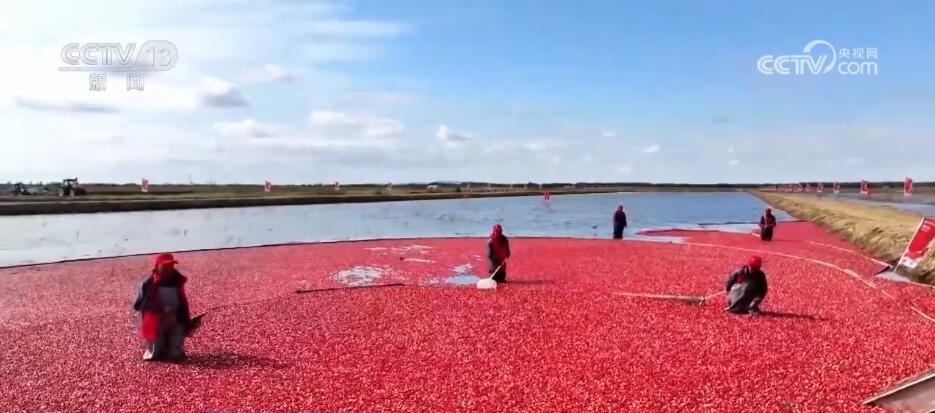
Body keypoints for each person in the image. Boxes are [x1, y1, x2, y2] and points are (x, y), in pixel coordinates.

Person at [132, 253, 192, 361]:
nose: (169, 268)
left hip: (175, 317)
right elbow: (139, 304)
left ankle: (174, 352)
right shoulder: (148, 284)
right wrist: (160, 309)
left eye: (171, 265)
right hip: (155, 320)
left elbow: (183, 301)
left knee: (176, 341)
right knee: (156, 349)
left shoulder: (178, 281)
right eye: (165, 266)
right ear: (157, 266)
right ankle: (156, 352)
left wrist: (186, 320)